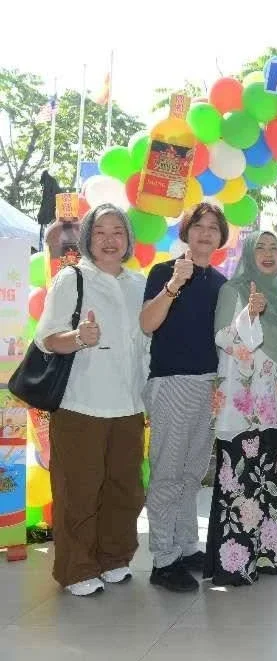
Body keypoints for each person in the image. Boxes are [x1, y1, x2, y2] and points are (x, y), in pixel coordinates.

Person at [33, 203, 147, 597]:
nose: (110, 240)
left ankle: (114, 558)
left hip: (129, 405)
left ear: (128, 239)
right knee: (78, 491)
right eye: (100, 232)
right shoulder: (72, 278)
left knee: (125, 489)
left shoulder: (139, 284)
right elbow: (47, 339)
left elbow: (145, 343)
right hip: (81, 404)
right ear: (87, 238)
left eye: (118, 231)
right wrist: (79, 337)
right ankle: (77, 568)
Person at [204, 231, 277, 587]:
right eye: (260, 247)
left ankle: (271, 555)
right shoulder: (234, 290)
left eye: (274, 247)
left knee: (269, 478)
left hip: (272, 402)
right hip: (242, 401)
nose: (268, 253)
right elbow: (222, 337)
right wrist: (249, 314)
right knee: (240, 479)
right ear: (248, 253)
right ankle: (236, 563)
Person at [139, 202, 228, 592]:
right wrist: (174, 285)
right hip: (172, 382)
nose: (205, 233)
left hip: (209, 384)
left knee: (192, 472)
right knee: (167, 472)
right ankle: (163, 558)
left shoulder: (222, 284)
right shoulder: (164, 272)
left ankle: (186, 545)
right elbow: (147, 323)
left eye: (213, 227)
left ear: (221, 237)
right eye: (198, 226)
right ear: (186, 231)